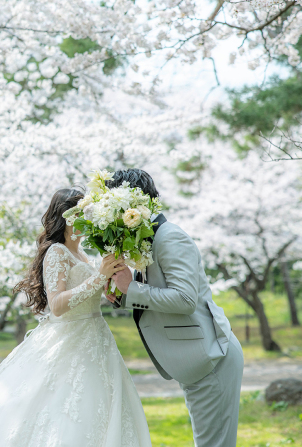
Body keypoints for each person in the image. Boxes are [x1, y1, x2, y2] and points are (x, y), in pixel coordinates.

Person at [0, 188, 152, 447]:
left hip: (97, 338)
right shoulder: (57, 252)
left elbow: (85, 292)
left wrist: (107, 288)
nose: (87, 220)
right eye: (81, 215)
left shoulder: (82, 254)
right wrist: (98, 277)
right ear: (66, 217)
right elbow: (57, 305)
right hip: (69, 340)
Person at [105, 169, 243, 447]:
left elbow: (184, 299)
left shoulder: (169, 237)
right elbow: (156, 295)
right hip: (196, 360)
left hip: (211, 360)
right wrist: (122, 294)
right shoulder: (149, 238)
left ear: (133, 203)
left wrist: (132, 288)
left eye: (112, 207)